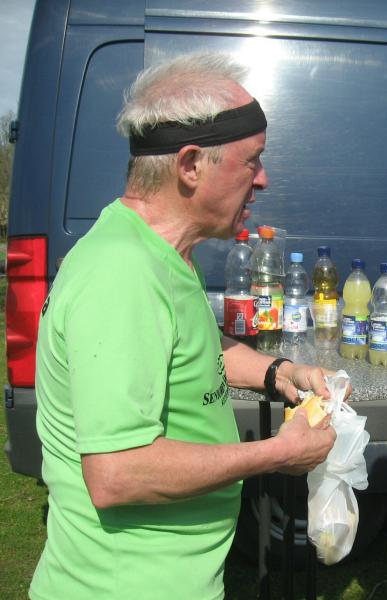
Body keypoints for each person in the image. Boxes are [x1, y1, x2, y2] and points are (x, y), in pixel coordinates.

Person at [29, 53, 339, 600]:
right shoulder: (123, 273)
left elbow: (194, 345)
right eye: (252, 161)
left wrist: (280, 371)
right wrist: (277, 454)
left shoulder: (163, 253)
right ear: (191, 165)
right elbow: (118, 473)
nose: (263, 180)